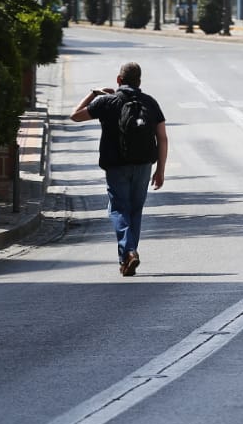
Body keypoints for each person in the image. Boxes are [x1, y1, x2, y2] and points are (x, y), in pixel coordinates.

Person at [71, 61, 169, 276]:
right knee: (135, 211)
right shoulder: (150, 103)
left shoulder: (107, 102)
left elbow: (75, 116)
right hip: (144, 165)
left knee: (117, 209)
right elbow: (162, 138)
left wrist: (93, 95)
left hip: (116, 167)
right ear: (139, 81)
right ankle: (127, 259)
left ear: (119, 80)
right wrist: (160, 170)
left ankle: (129, 252)